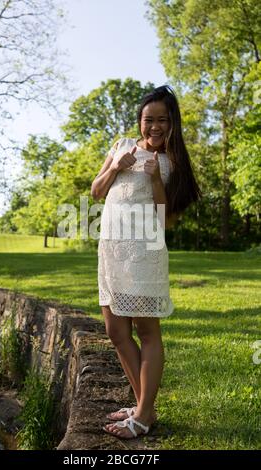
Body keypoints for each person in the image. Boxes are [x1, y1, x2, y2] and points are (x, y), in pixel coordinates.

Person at [91, 85, 202, 439]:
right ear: (140, 121)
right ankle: (145, 408)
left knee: (146, 330)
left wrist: (155, 178)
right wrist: (115, 169)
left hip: (144, 252)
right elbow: (96, 191)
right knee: (115, 331)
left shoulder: (171, 162)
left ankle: (141, 415)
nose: (154, 127)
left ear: (172, 124)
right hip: (110, 249)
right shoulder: (121, 146)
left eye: (162, 121)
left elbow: (165, 218)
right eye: (148, 120)